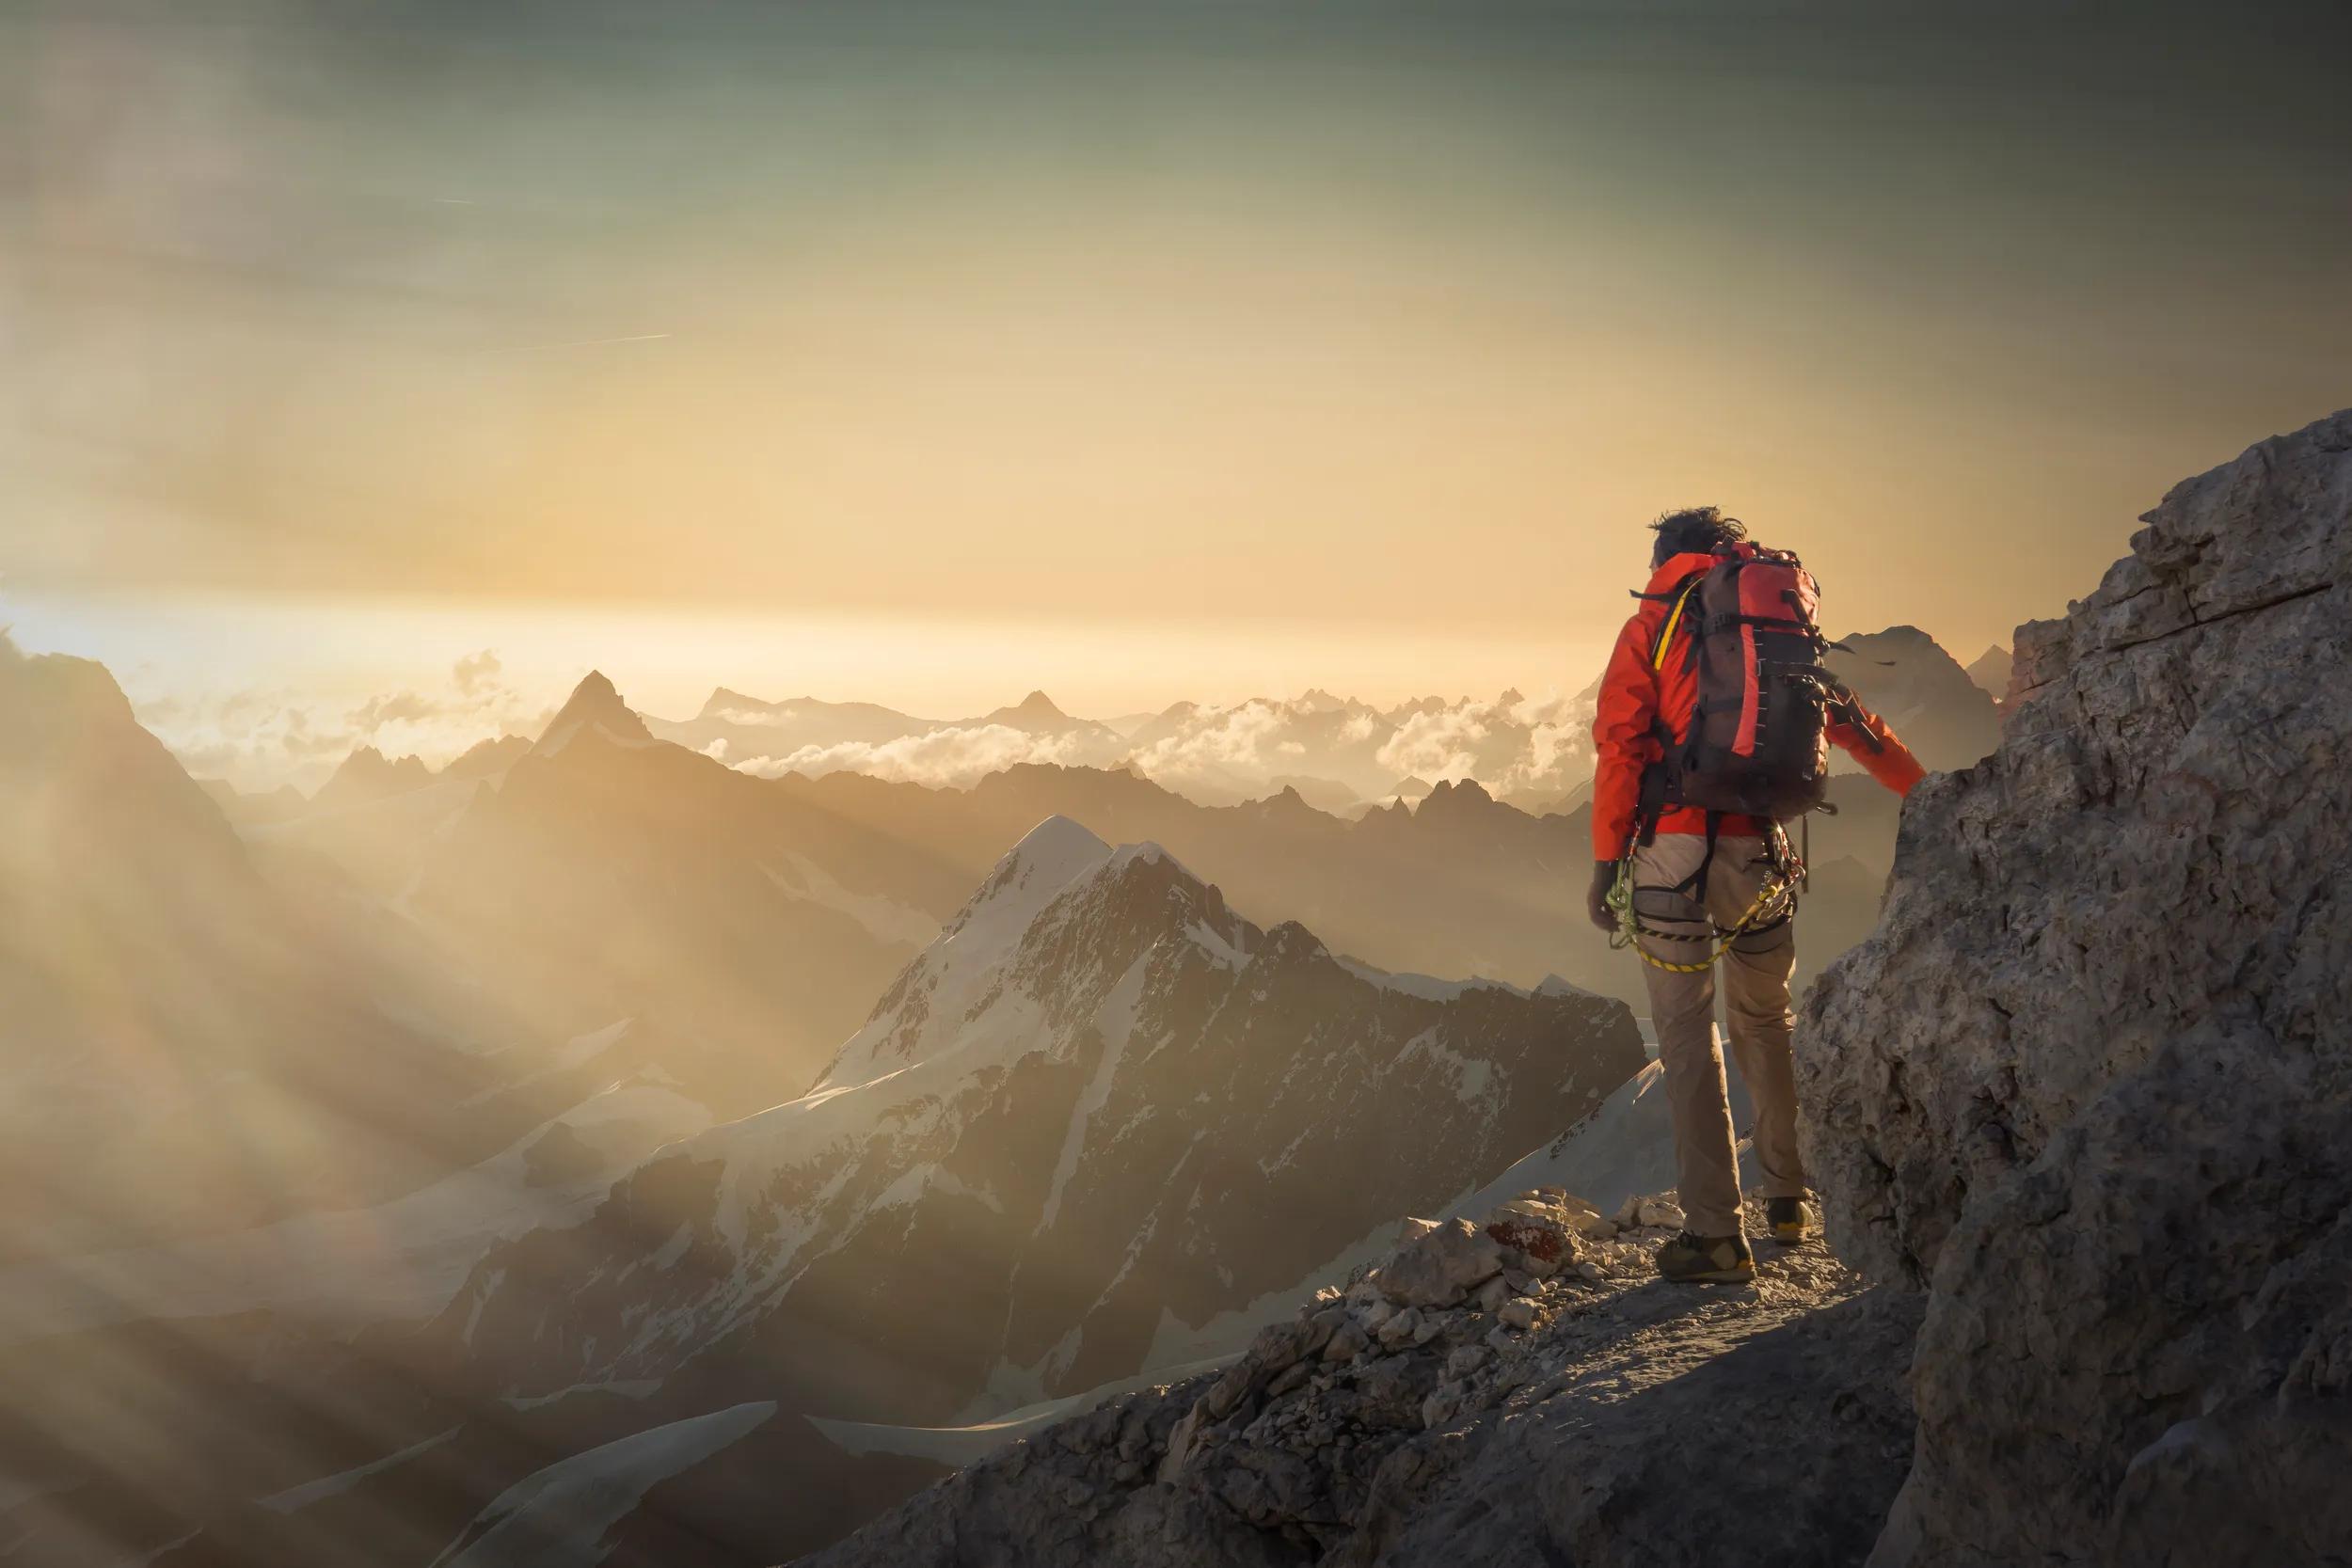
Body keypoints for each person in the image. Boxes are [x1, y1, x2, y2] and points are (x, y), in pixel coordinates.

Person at [1583, 506, 1925, 1284]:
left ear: (1667, 558)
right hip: (1763, 851)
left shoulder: (1655, 626)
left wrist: (1606, 863)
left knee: (1687, 1037)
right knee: (1766, 1020)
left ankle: (1714, 1236)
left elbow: (1621, 746)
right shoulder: (1777, 623)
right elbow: (1845, 718)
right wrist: (1932, 791)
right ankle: (1788, 1198)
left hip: (1674, 852)